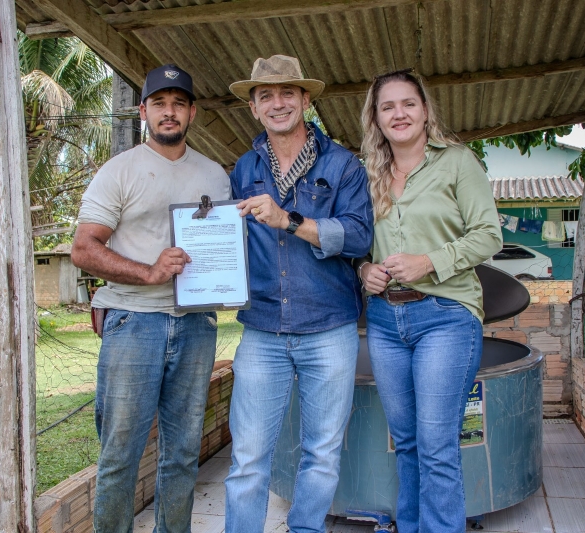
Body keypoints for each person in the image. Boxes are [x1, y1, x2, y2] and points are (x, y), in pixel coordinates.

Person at [71, 64, 230, 533]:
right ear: (143, 111)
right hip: (133, 322)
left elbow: (222, 247)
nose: (169, 111)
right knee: (121, 453)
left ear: (193, 112)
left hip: (196, 323)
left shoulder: (215, 175)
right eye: (159, 103)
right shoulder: (119, 171)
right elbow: (84, 248)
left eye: (178, 103)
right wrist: (149, 272)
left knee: (182, 454)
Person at [223, 55, 373, 533]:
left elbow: (357, 237)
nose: (278, 102)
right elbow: (230, 243)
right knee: (247, 458)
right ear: (253, 108)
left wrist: (289, 219)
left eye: (288, 92)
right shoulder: (243, 169)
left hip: (329, 328)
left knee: (322, 453)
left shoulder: (343, 165)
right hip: (262, 330)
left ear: (307, 100)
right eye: (266, 95)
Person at [357, 69, 502, 532]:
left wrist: (429, 262)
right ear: (376, 118)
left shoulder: (457, 161)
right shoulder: (367, 174)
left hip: (445, 316)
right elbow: (359, 245)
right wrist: (364, 269)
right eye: (387, 106)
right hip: (384, 320)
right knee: (407, 442)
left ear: (424, 110)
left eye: (408, 104)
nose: (399, 113)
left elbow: (489, 235)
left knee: (437, 444)